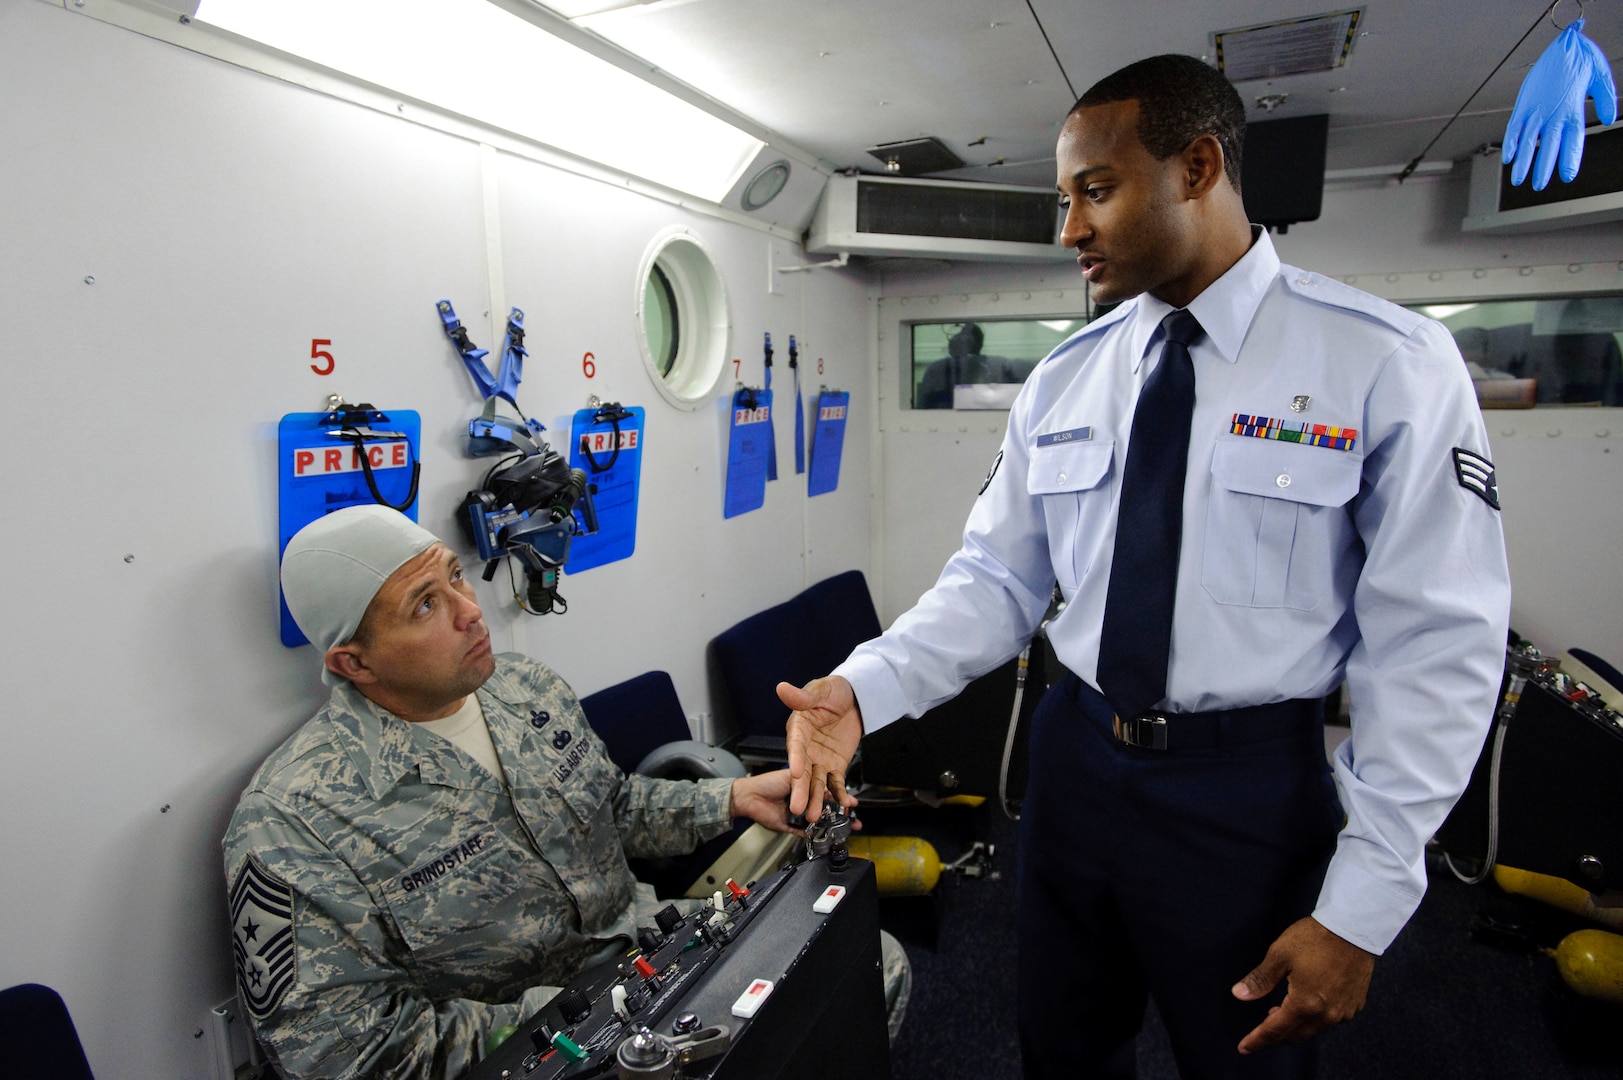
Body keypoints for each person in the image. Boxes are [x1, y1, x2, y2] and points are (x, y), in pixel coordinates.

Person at [780, 54, 1510, 1079]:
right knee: (1062, 1049)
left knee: (1245, 1058)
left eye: (1095, 190)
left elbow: (1436, 644)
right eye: (1064, 197)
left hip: (1247, 790)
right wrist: (861, 689)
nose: (1068, 228)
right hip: (1074, 764)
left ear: (1198, 167)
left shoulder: (1384, 363)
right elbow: (995, 581)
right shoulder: (1067, 376)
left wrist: (1363, 907)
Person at [224, 505, 806, 1080]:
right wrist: (594, 1009)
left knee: (864, 970)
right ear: (355, 662)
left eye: (456, 576)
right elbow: (349, 1054)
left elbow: (613, 807)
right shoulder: (295, 819)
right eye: (426, 604)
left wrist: (733, 797)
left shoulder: (526, 688)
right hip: (544, 1049)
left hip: (659, 954)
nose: (471, 611)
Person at [915, 322, 1037, 408]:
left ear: (978, 344)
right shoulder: (937, 370)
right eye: (957, 339)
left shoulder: (1001, 366)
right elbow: (924, 405)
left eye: (965, 340)